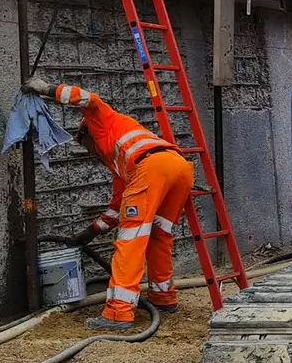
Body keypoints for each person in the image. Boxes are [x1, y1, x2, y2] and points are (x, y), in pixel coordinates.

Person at [24, 76, 193, 330]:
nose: (90, 152)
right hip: (179, 167)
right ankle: (163, 297)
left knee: (131, 240)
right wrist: (90, 232)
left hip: (151, 167)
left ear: (87, 134)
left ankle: (118, 313)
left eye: (86, 145)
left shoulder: (101, 121)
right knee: (159, 235)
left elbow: (88, 99)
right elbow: (117, 208)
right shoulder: (121, 158)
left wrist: (47, 90)